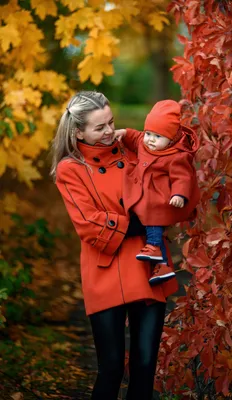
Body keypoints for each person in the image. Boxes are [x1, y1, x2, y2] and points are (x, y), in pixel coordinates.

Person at [50, 91, 179, 400]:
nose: (109, 132)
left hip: (148, 267)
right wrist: (145, 220)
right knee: (111, 368)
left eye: (111, 122)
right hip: (104, 273)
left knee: (145, 364)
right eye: (99, 127)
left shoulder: (134, 151)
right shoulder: (70, 170)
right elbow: (89, 226)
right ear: (78, 131)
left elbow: (169, 177)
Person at [114, 100, 200, 285]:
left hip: (160, 197)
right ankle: (162, 266)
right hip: (144, 194)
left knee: (152, 215)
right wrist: (125, 133)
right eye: (149, 134)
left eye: (158, 136)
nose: (150, 140)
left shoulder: (176, 155)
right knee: (146, 214)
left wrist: (179, 194)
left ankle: (153, 246)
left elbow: (183, 177)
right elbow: (135, 137)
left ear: (171, 139)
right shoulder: (144, 143)